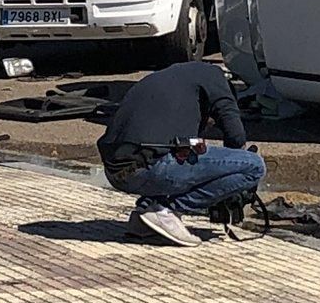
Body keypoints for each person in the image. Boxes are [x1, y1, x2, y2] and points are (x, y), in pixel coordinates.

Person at [97, 62, 266, 247]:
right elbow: (235, 136)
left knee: (184, 158)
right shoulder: (216, 81)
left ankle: (144, 217)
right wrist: (227, 189)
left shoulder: (168, 80)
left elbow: (174, 142)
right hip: (150, 167)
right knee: (253, 166)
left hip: (116, 171)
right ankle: (168, 211)